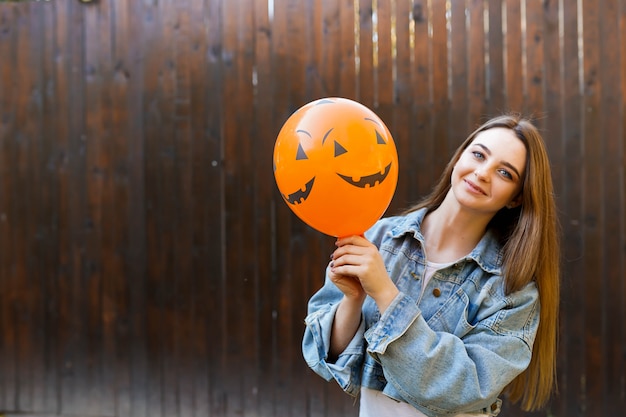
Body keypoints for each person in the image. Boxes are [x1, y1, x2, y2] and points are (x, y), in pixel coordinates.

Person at [302, 114, 560, 417]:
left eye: (505, 173)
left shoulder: (512, 292)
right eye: (478, 155)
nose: (482, 173)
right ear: (459, 157)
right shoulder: (378, 237)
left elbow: (461, 388)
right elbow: (323, 356)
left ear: (515, 198)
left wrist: (386, 294)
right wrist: (353, 299)